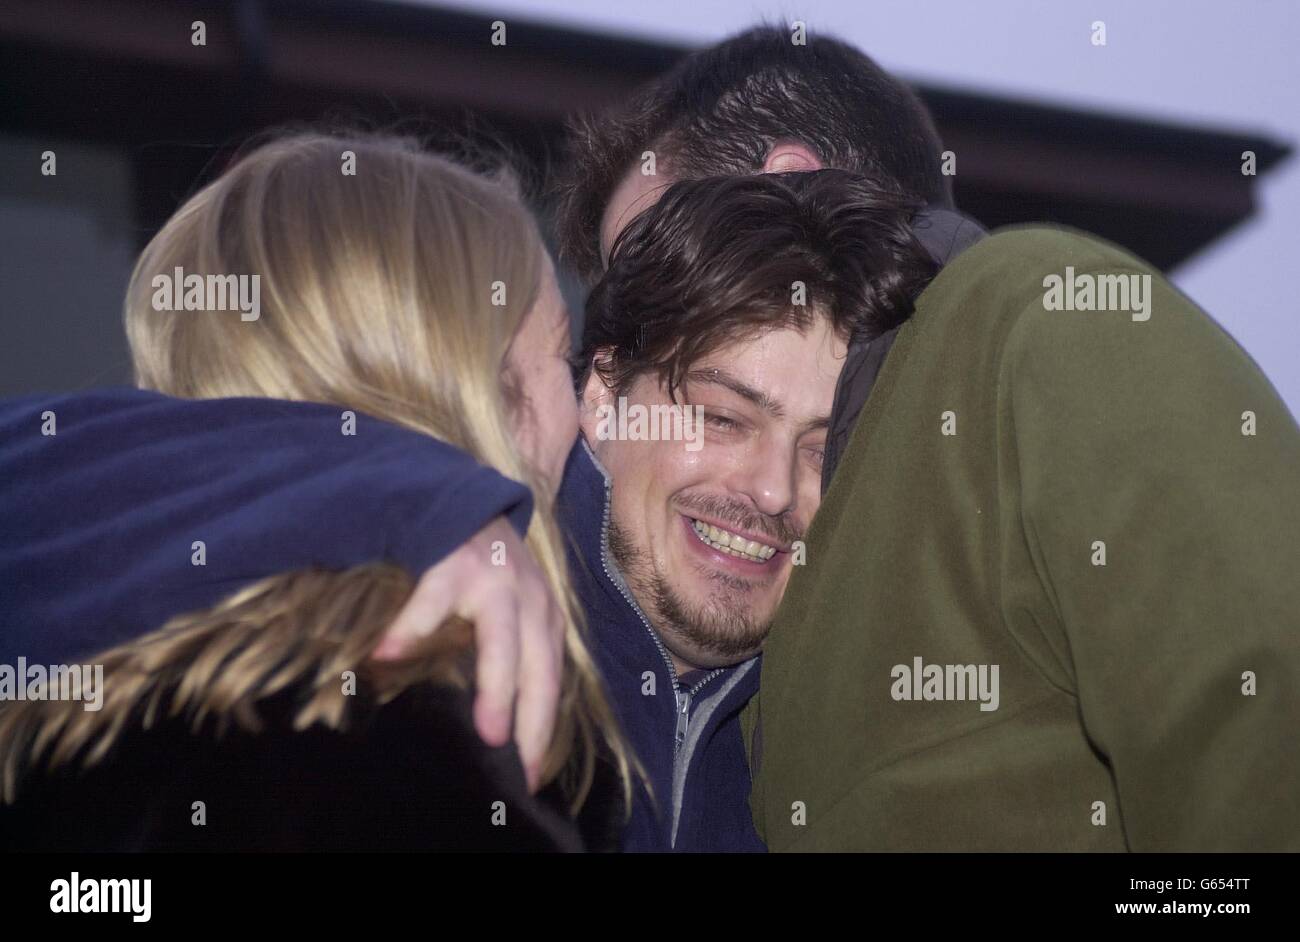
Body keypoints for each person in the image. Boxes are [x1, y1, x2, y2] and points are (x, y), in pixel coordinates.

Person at [552, 25, 1300, 850]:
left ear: (786, 186)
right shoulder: (606, 612)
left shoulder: (1030, 320)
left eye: (651, 247)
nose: (629, 306)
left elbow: (1256, 703)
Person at [0, 132, 633, 851]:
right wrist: (438, 494)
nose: (582, 407)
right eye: (561, 355)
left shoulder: (70, 689)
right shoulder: (411, 739)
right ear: (476, 389)